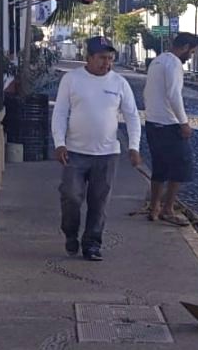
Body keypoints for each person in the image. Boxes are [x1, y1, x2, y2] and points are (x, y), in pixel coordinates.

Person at [52, 36, 141, 261]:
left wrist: (133, 146)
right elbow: (60, 112)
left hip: (107, 154)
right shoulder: (71, 80)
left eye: (110, 58)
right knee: (71, 196)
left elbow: (132, 116)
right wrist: (59, 143)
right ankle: (70, 232)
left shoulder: (119, 83)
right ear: (88, 58)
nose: (107, 63)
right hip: (75, 152)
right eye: (102, 58)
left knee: (99, 202)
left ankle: (92, 243)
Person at [143, 32, 198, 226]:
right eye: (191, 52)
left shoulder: (157, 61)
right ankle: (168, 209)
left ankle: (154, 208)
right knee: (180, 167)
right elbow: (174, 95)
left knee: (159, 167)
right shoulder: (174, 63)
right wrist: (183, 123)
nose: (190, 57)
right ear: (184, 47)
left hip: (153, 123)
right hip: (169, 125)